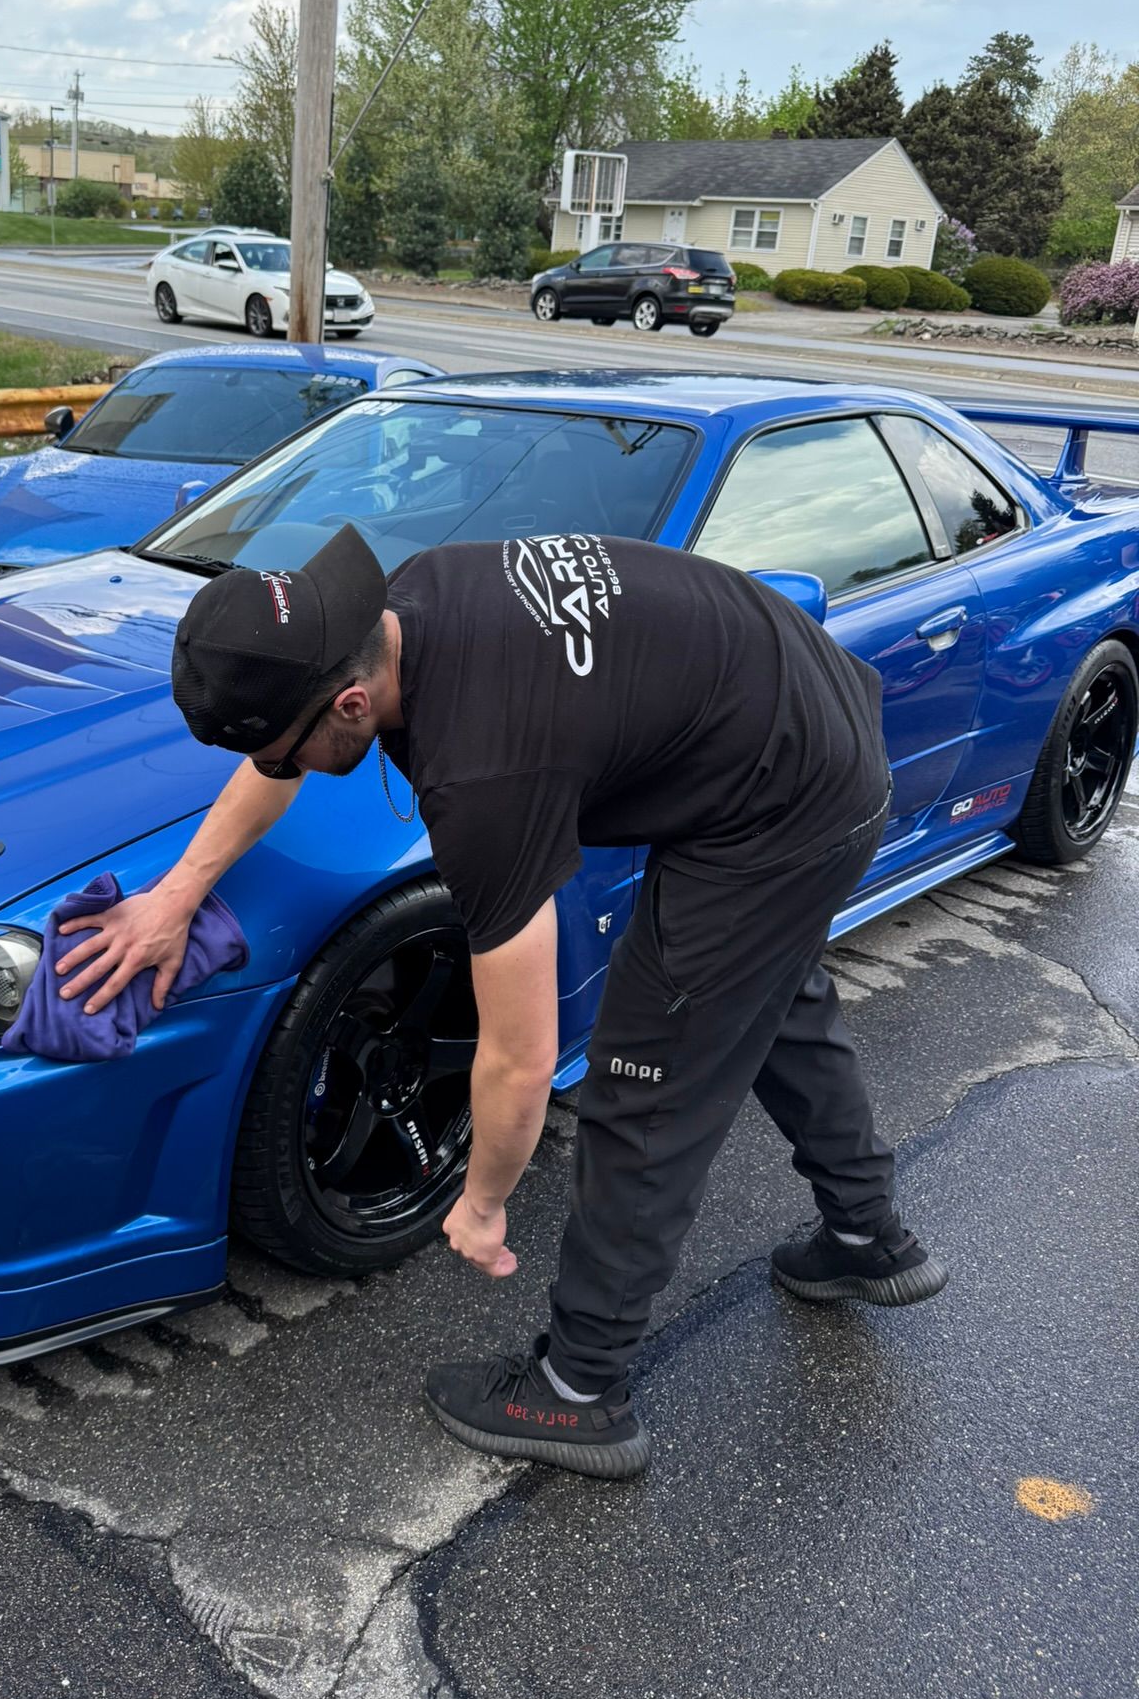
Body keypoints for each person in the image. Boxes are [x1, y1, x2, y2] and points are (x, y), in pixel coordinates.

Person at [54, 525, 948, 1481]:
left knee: (648, 1079)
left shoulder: (484, 770)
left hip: (786, 799)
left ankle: (578, 1392)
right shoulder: (388, 607)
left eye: (297, 751)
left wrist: (482, 1204)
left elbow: (520, 1057)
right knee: (761, 992)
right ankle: (868, 1235)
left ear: (351, 703)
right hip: (788, 713)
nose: (293, 768)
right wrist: (177, 895)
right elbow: (274, 761)